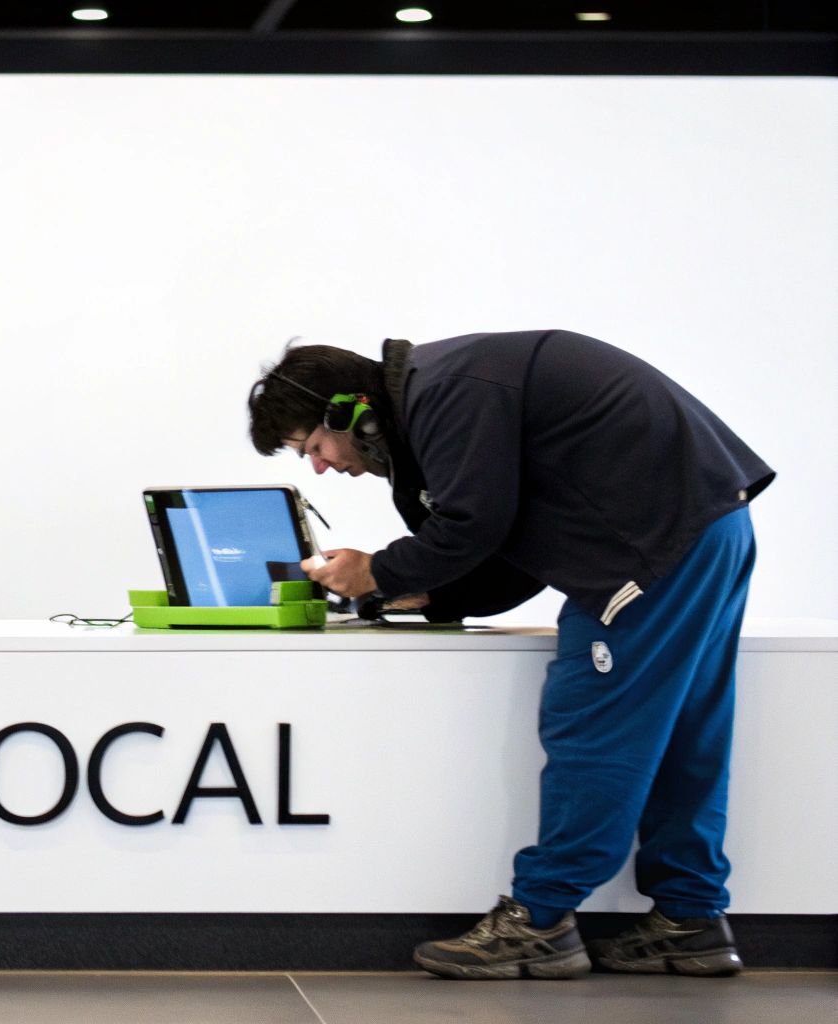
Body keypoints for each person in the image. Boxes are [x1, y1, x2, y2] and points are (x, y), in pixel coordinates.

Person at [246, 330, 772, 980]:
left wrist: (378, 571)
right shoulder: (450, 388)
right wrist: (420, 593)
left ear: (347, 411)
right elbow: (509, 556)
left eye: (313, 447)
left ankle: (541, 921)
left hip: (649, 543)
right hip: (706, 524)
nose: (322, 466)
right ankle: (689, 919)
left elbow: (474, 524)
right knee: (687, 736)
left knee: (591, 727)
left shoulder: (445, 393)